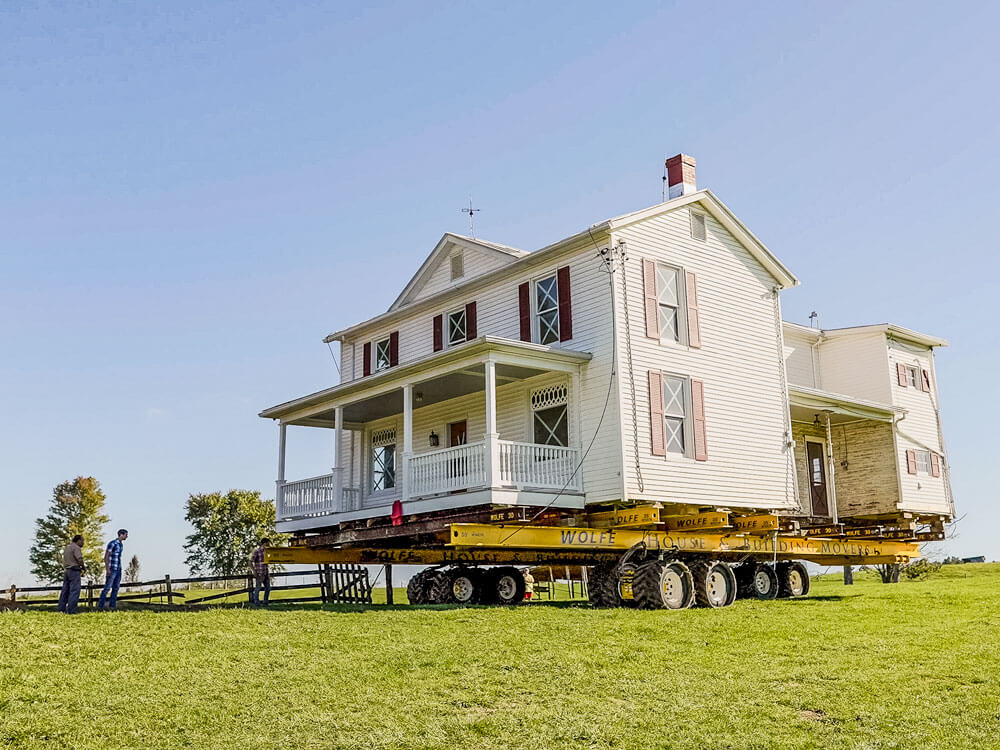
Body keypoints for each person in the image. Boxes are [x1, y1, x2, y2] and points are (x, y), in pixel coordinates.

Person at [98, 529, 128, 611]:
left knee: (116, 588)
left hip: (118, 568)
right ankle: (100, 606)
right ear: (121, 534)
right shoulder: (113, 543)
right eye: (126, 534)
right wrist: (107, 569)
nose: (127, 536)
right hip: (112, 568)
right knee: (107, 587)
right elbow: (106, 556)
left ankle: (112, 606)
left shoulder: (121, 545)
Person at [57, 535, 85, 614]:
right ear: (78, 540)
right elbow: (79, 559)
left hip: (67, 570)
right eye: (82, 541)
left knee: (65, 590)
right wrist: (83, 567)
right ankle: (72, 610)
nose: (83, 543)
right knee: (74, 591)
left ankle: (61, 608)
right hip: (74, 570)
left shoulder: (67, 547)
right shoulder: (76, 548)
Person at [250, 538, 271, 607]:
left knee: (268, 588)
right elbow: (250, 561)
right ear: (264, 543)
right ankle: (257, 603)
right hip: (259, 573)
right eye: (268, 543)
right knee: (257, 588)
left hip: (266, 572)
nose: (269, 544)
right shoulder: (257, 551)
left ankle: (265, 603)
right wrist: (254, 571)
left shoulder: (267, 551)